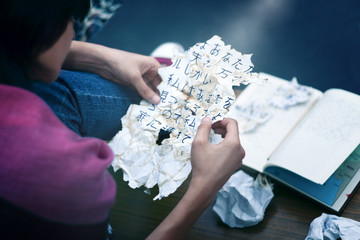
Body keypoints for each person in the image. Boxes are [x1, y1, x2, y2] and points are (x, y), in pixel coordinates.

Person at [0, 0, 245, 239]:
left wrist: (98, 57)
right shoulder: (57, 170)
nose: (74, 31)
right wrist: (205, 186)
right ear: (39, 28)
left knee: (139, 95)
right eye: (70, 21)